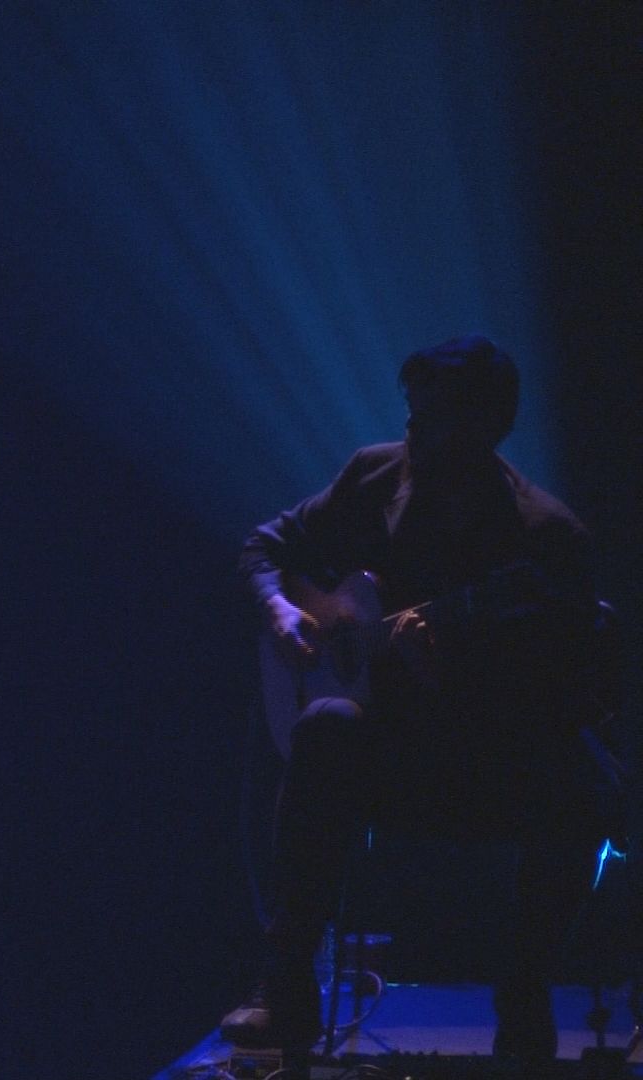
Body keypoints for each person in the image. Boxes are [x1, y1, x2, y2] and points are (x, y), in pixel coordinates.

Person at [222, 336, 616, 1063]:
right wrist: (280, 609)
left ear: (484, 427)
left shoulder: (546, 536)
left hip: (484, 762)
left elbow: (570, 688)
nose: (411, 428)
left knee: (586, 786)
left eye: (431, 417)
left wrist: (463, 674)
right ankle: (286, 985)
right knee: (324, 722)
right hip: (385, 757)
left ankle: (522, 993)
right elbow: (264, 546)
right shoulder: (375, 475)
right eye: (412, 411)